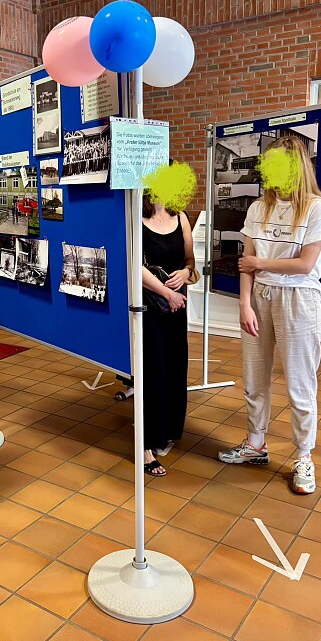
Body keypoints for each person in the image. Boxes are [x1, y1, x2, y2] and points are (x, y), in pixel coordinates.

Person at [218, 136, 321, 495]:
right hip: (260, 297)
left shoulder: (315, 207)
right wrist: (244, 304)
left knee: (300, 384)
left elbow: (304, 264)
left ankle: (303, 457)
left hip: (299, 299)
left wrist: (260, 263)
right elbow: (245, 265)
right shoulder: (257, 208)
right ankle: (255, 444)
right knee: (254, 376)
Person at [142, 193, 195, 476]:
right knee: (153, 371)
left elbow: (189, 260)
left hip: (177, 306)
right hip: (150, 308)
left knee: (175, 367)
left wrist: (186, 274)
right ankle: (146, 446)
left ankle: (167, 431)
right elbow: (134, 265)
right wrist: (166, 292)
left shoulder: (181, 217)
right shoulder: (135, 217)